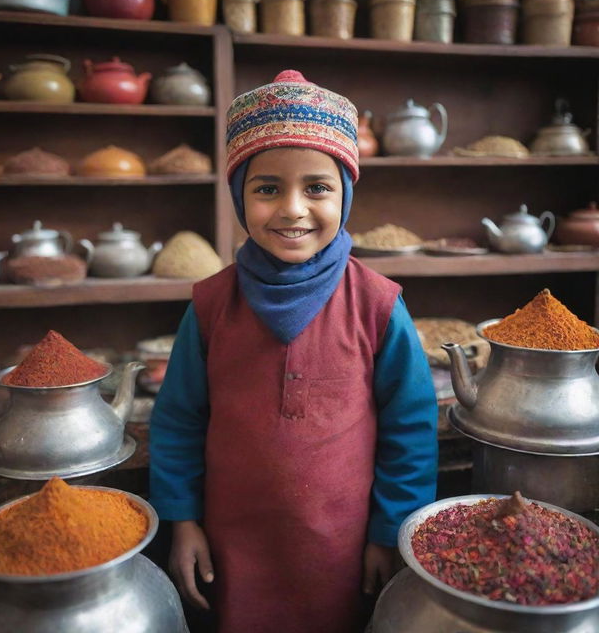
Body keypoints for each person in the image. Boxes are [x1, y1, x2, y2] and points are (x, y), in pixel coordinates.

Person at [149, 70, 438, 633]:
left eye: (317, 187)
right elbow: (179, 420)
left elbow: (410, 428)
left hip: (345, 549)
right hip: (233, 547)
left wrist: (390, 532)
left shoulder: (378, 305)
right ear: (240, 196)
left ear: (345, 194)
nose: (292, 209)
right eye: (266, 188)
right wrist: (180, 521)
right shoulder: (211, 305)